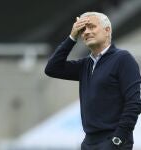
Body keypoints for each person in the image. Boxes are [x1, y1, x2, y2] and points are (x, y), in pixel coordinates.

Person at [45, 12, 141, 150]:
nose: (86, 32)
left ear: (107, 30)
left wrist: (119, 138)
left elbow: (134, 103)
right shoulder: (85, 65)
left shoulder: (123, 59)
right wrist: (72, 37)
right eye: (83, 29)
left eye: (91, 27)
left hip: (114, 140)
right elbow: (52, 68)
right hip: (89, 142)